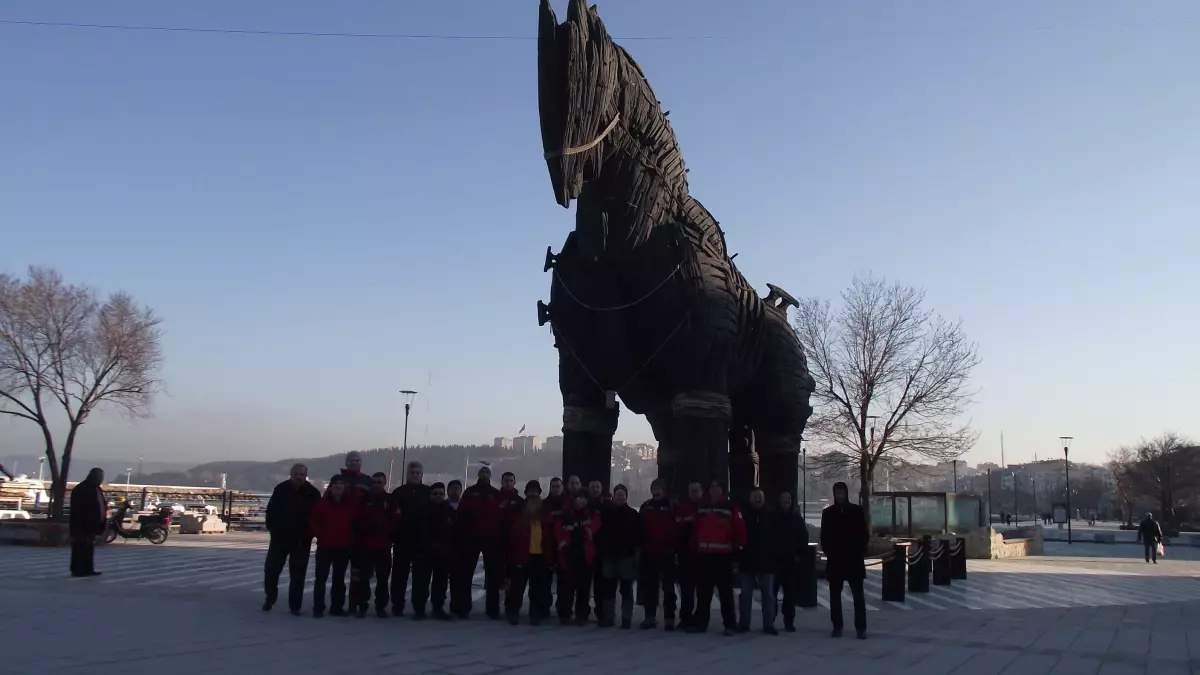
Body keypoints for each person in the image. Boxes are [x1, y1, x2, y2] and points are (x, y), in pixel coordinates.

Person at [688, 480, 745, 636]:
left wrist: (737, 553)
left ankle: (730, 624)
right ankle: (701, 622)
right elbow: (695, 530)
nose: (714, 490)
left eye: (717, 487)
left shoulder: (731, 507)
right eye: (712, 487)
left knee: (725, 593)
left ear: (722, 490)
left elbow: (740, 530)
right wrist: (694, 550)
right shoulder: (702, 508)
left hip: (723, 557)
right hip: (704, 555)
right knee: (703, 593)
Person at [263, 463, 321, 615]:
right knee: (271, 570)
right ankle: (270, 597)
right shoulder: (281, 489)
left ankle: (295, 606)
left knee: (298, 575)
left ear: (305, 475)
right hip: (279, 538)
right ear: (291, 474)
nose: (299, 477)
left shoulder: (312, 493)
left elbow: (317, 517)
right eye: (296, 473)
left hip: (301, 541)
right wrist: (273, 530)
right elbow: (270, 511)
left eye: (302, 474)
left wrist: (309, 534)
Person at [820, 481, 869, 639]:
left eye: (842, 493)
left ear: (846, 493)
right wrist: (830, 552)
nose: (840, 496)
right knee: (834, 596)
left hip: (853, 559)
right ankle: (837, 626)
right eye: (837, 493)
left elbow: (864, 534)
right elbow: (824, 536)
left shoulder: (857, 511)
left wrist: (859, 551)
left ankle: (860, 628)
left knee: (858, 597)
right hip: (836, 560)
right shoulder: (828, 513)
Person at [458, 465, 503, 619]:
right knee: (466, 574)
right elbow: (461, 514)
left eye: (487, 472)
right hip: (471, 538)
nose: (484, 474)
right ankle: (463, 608)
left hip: (491, 538)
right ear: (478, 474)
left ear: (490, 475)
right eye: (482, 472)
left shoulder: (495, 494)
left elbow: (500, 517)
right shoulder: (469, 492)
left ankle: (492, 609)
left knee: (493, 576)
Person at [505, 481, 554, 625]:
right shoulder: (519, 509)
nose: (533, 494)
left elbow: (550, 537)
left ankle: (535, 613)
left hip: (539, 555)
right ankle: (512, 612)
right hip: (522, 554)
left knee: (537, 589)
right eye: (530, 492)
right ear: (525, 493)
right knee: (517, 588)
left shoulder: (545, 512)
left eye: (535, 492)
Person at [310, 475, 357, 617]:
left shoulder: (350, 504)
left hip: (343, 547)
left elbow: (356, 524)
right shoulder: (321, 503)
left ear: (344, 488)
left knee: (339, 579)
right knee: (320, 579)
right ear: (331, 487)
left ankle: (337, 607)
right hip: (325, 546)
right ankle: (318, 607)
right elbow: (313, 522)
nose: (338, 487)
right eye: (335, 484)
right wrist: (321, 535)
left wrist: (350, 539)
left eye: (341, 484)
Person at [389, 461, 431, 617]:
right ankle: (397, 605)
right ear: (407, 474)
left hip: (422, 541)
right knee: (399, 576)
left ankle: (419, 606)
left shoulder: (428, 492)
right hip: (402, 541)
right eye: (412, 472)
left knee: (421, 578)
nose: (414, 474)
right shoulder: (399, 493)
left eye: (417, 472)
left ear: (421, 474)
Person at [555, 489, 601, 625]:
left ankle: (581, 614)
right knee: (567, 587)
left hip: (585, 554)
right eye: (579, 498)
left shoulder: (592, 513)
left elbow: (595, 528)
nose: (581, 501)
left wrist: (584, 530)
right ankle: (565, 613)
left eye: (584, 498)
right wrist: (563, 540)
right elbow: (558, 530)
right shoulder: (565, 513)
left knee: (584, 587)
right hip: (568, 554)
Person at [598, 484, 641, 629]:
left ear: (626, 496)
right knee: (609, 589)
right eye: (618, 494)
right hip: (609, 556)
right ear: (614, 496)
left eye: (622, 494)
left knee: (626, 589)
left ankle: (626, 618)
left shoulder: (633, 515)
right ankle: (609, 617)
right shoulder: (606, 513)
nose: (620, 497)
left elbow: (638, 536)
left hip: (626, 557)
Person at [352, 472, 394, 618]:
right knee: (364, 579)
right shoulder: (364, 500)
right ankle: (362, 606)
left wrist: (388, 532)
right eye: (374, 482)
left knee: (382, 579)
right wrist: (366, 529)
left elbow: (397, 520)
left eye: (379, 482)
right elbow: (356, 520)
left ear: (385, 483)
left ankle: (380, 607)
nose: (376, 485)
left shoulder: (390, 500)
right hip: (366, 546)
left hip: (383, 547)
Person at [638, 478, 678, 630]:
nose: (656, 491)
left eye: (659, 489)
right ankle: (650, 617)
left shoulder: (672, 506)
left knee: (668, 588)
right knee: (650, 588)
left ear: (664, 490)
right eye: (654, 488)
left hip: (667, 552)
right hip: (649, 552)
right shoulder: (646, 506)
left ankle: (669, 618)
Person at [737, 488, 777, 635]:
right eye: (755, 497)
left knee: (768, 595)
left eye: (760, 497)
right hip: (747, 560)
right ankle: (744, 622)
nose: (758, 499)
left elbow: (775, 537)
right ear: (750, 499)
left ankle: (768, 624)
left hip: (766, 561)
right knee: (746, 594)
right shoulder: (743, 515)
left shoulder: (770, 515)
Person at [416, 482, 456, 620]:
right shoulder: (422, 510)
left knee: (441, 583)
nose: (438, 496)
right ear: (430, 495)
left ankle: (437, 608)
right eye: (435, 493)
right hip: (425, 551)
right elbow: (417, 531)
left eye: (441, 493)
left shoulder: (449, 510)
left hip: (444, 552)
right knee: (421, 582)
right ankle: (419, 609)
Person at [772, 490, 808, 632]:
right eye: (783, 498)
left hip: (791, 561)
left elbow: (803, 538)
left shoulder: (796, 518)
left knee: (790, 594)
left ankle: (789, 621)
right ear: (779, 500)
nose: (786, 501)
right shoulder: (773, 516)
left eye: (788, 498)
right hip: (775, 561)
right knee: (772, 593)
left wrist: (800, 555)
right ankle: (771, 620)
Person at [674, 481, 704, 628]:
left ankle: (700, 618)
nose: (694, 493)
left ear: (702, 491)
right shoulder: (683, 508)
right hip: (686, 553)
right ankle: (685, 618)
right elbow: (676, 525)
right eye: (692, 491)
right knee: (686, 589)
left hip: (703, 554)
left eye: (696, 490)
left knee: (702, 590)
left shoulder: (706, 507)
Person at [69, 468, 107, 578]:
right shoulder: (82, 489)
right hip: (82, 524)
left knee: (88, 548)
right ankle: (77, 569)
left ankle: (87, 568)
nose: (101, 479)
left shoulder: (96, 489)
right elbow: (78, 509)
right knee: (80, 547)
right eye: (100, 476)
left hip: (92, 524)